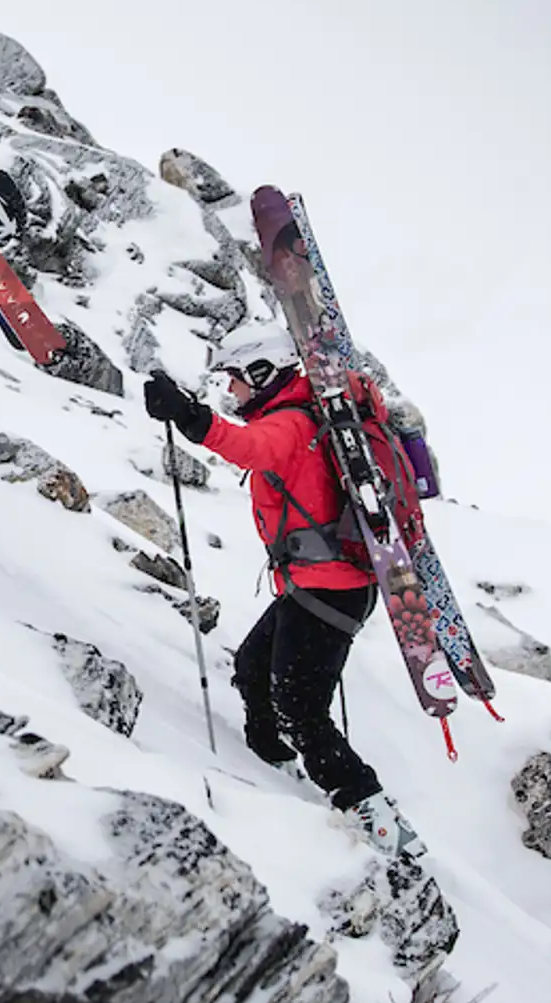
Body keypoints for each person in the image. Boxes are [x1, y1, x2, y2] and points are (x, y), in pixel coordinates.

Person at [140, 322, 424, 859]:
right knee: (252, 667)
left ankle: (376, 817)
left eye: (237, 381)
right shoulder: (304, 414)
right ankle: (271, 767)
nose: (232, 392)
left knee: (300, 705)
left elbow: (244, 446)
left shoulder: (292, 422)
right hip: (318, 584)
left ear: (265, 373)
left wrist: (188, 415)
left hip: (329, 588)